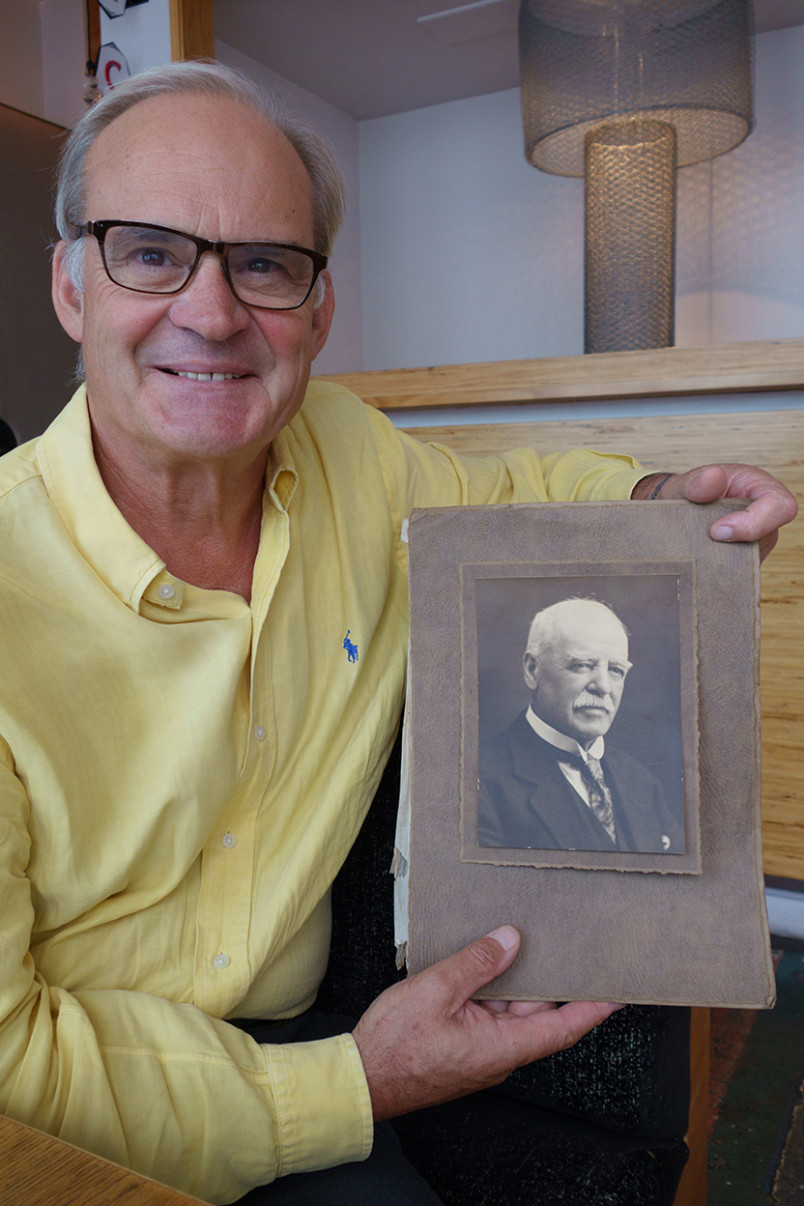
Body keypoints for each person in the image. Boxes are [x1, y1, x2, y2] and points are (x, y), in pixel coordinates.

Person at [0, 60, 796, 1206]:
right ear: (73, 287)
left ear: (318, 312)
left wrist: (656, 501)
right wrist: (360, 1083)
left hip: (302, 1034)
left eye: (265, 264)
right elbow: (16, 1070)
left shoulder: (352, 455)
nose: (214, 312)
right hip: (78, 1124)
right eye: (151, 251)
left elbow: (517, 488)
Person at [477, 597, 682, 852]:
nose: (604, 687)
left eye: (616, 670)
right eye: (583, 665)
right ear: (532, 670)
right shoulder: (481, 783)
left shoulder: (642, 783)